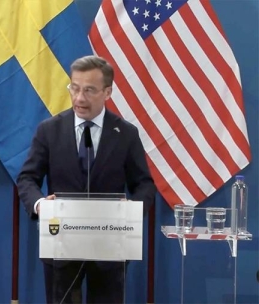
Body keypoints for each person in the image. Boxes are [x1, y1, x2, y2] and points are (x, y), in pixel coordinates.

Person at [16, 55, 156, 303]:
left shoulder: (125, 134)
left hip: (110, 249)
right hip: (61, 246)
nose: (79, 98)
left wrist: (132, 210)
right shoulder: (49, 130)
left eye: (89, 90)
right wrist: (41, 205)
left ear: (107, 92)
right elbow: (27, 178)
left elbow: (144, 185)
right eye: (75, 88)